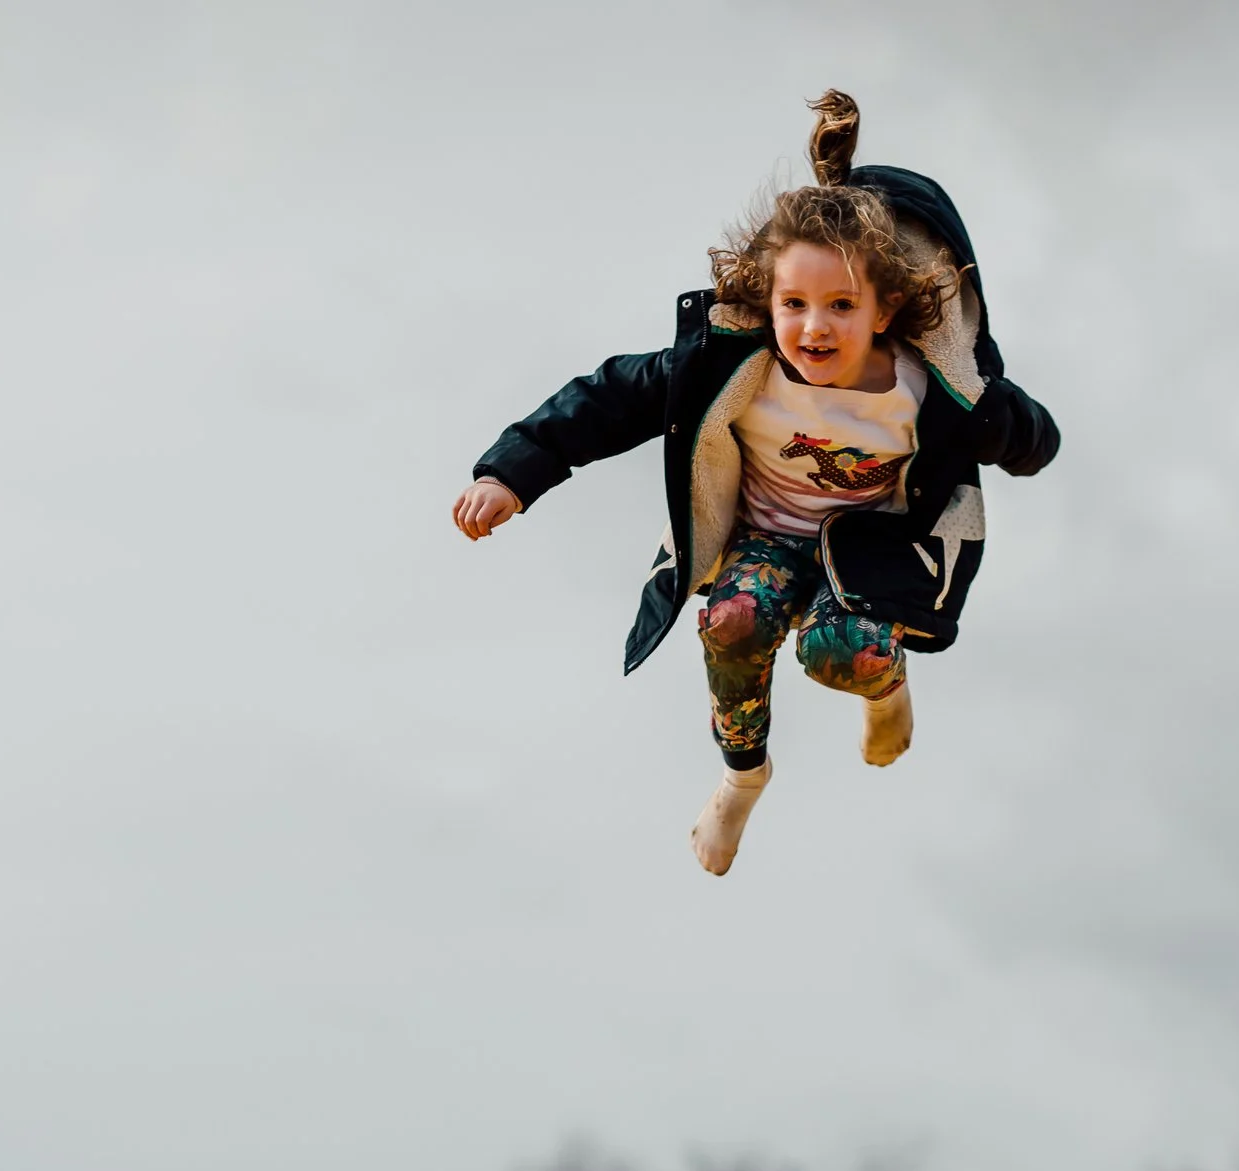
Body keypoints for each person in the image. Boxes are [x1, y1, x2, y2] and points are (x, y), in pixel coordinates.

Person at [452, 91, 1060, 874]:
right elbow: (607, 398)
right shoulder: (733, 367)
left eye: (841, 306)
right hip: (764, 537)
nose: (815, 326)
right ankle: (743, 778)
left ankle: (887, 693)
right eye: (794, 304)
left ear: (883, 311)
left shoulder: (929, 388)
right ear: (767, 304)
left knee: (841, 651)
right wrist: (511, 473)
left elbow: (1035, 442)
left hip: (868, 555)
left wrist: (1001, 420)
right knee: (733, 621)